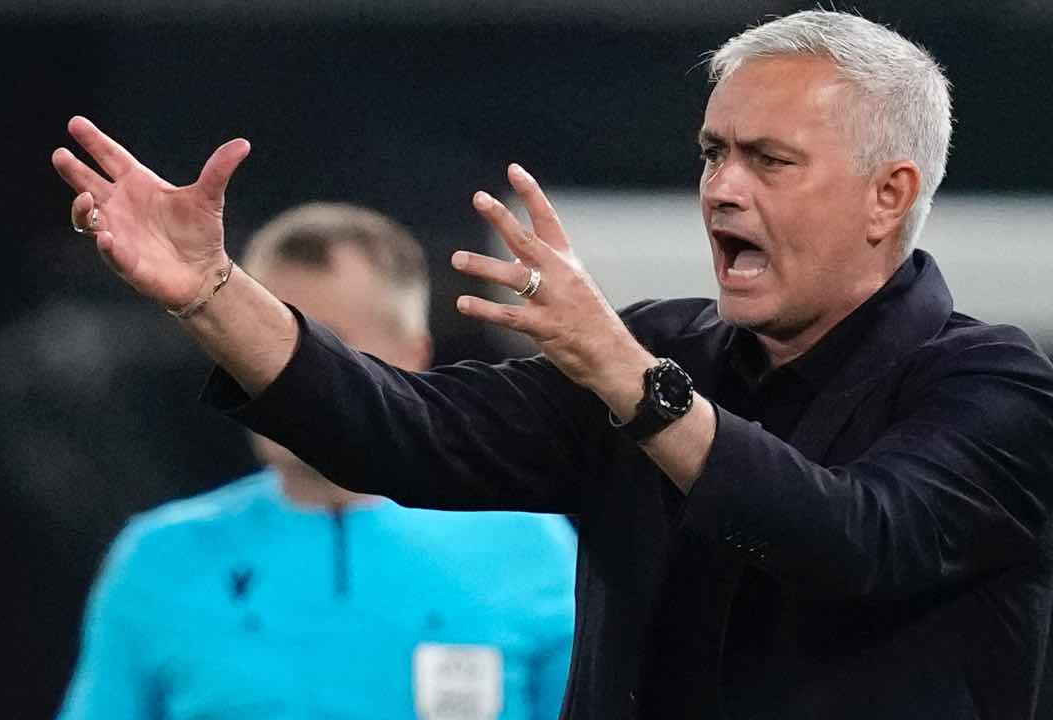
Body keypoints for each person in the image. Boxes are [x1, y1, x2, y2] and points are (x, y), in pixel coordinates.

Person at [51, 10, 1053, 719]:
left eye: (769, 160)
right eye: (713, 153)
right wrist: (210, 290)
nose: (720, 188)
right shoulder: (658, 350)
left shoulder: (993, 389)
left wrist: (632, 383)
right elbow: (398, 428)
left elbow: (851, 539)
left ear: (888, 195)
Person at [55, 202, 577, 720]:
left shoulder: (530, 546)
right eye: (255, 344)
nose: (279, 375)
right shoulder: (157, 559)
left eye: (323, 352)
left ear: (413, 358)